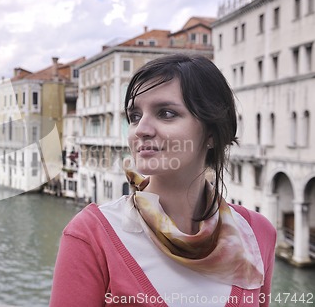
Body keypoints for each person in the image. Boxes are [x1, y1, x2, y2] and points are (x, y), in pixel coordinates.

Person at [49, 54, 276, 307]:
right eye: (134, 116)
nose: (140, 130)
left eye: (166, 113)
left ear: (211, 133)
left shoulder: (258, 233)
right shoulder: (90, 236)